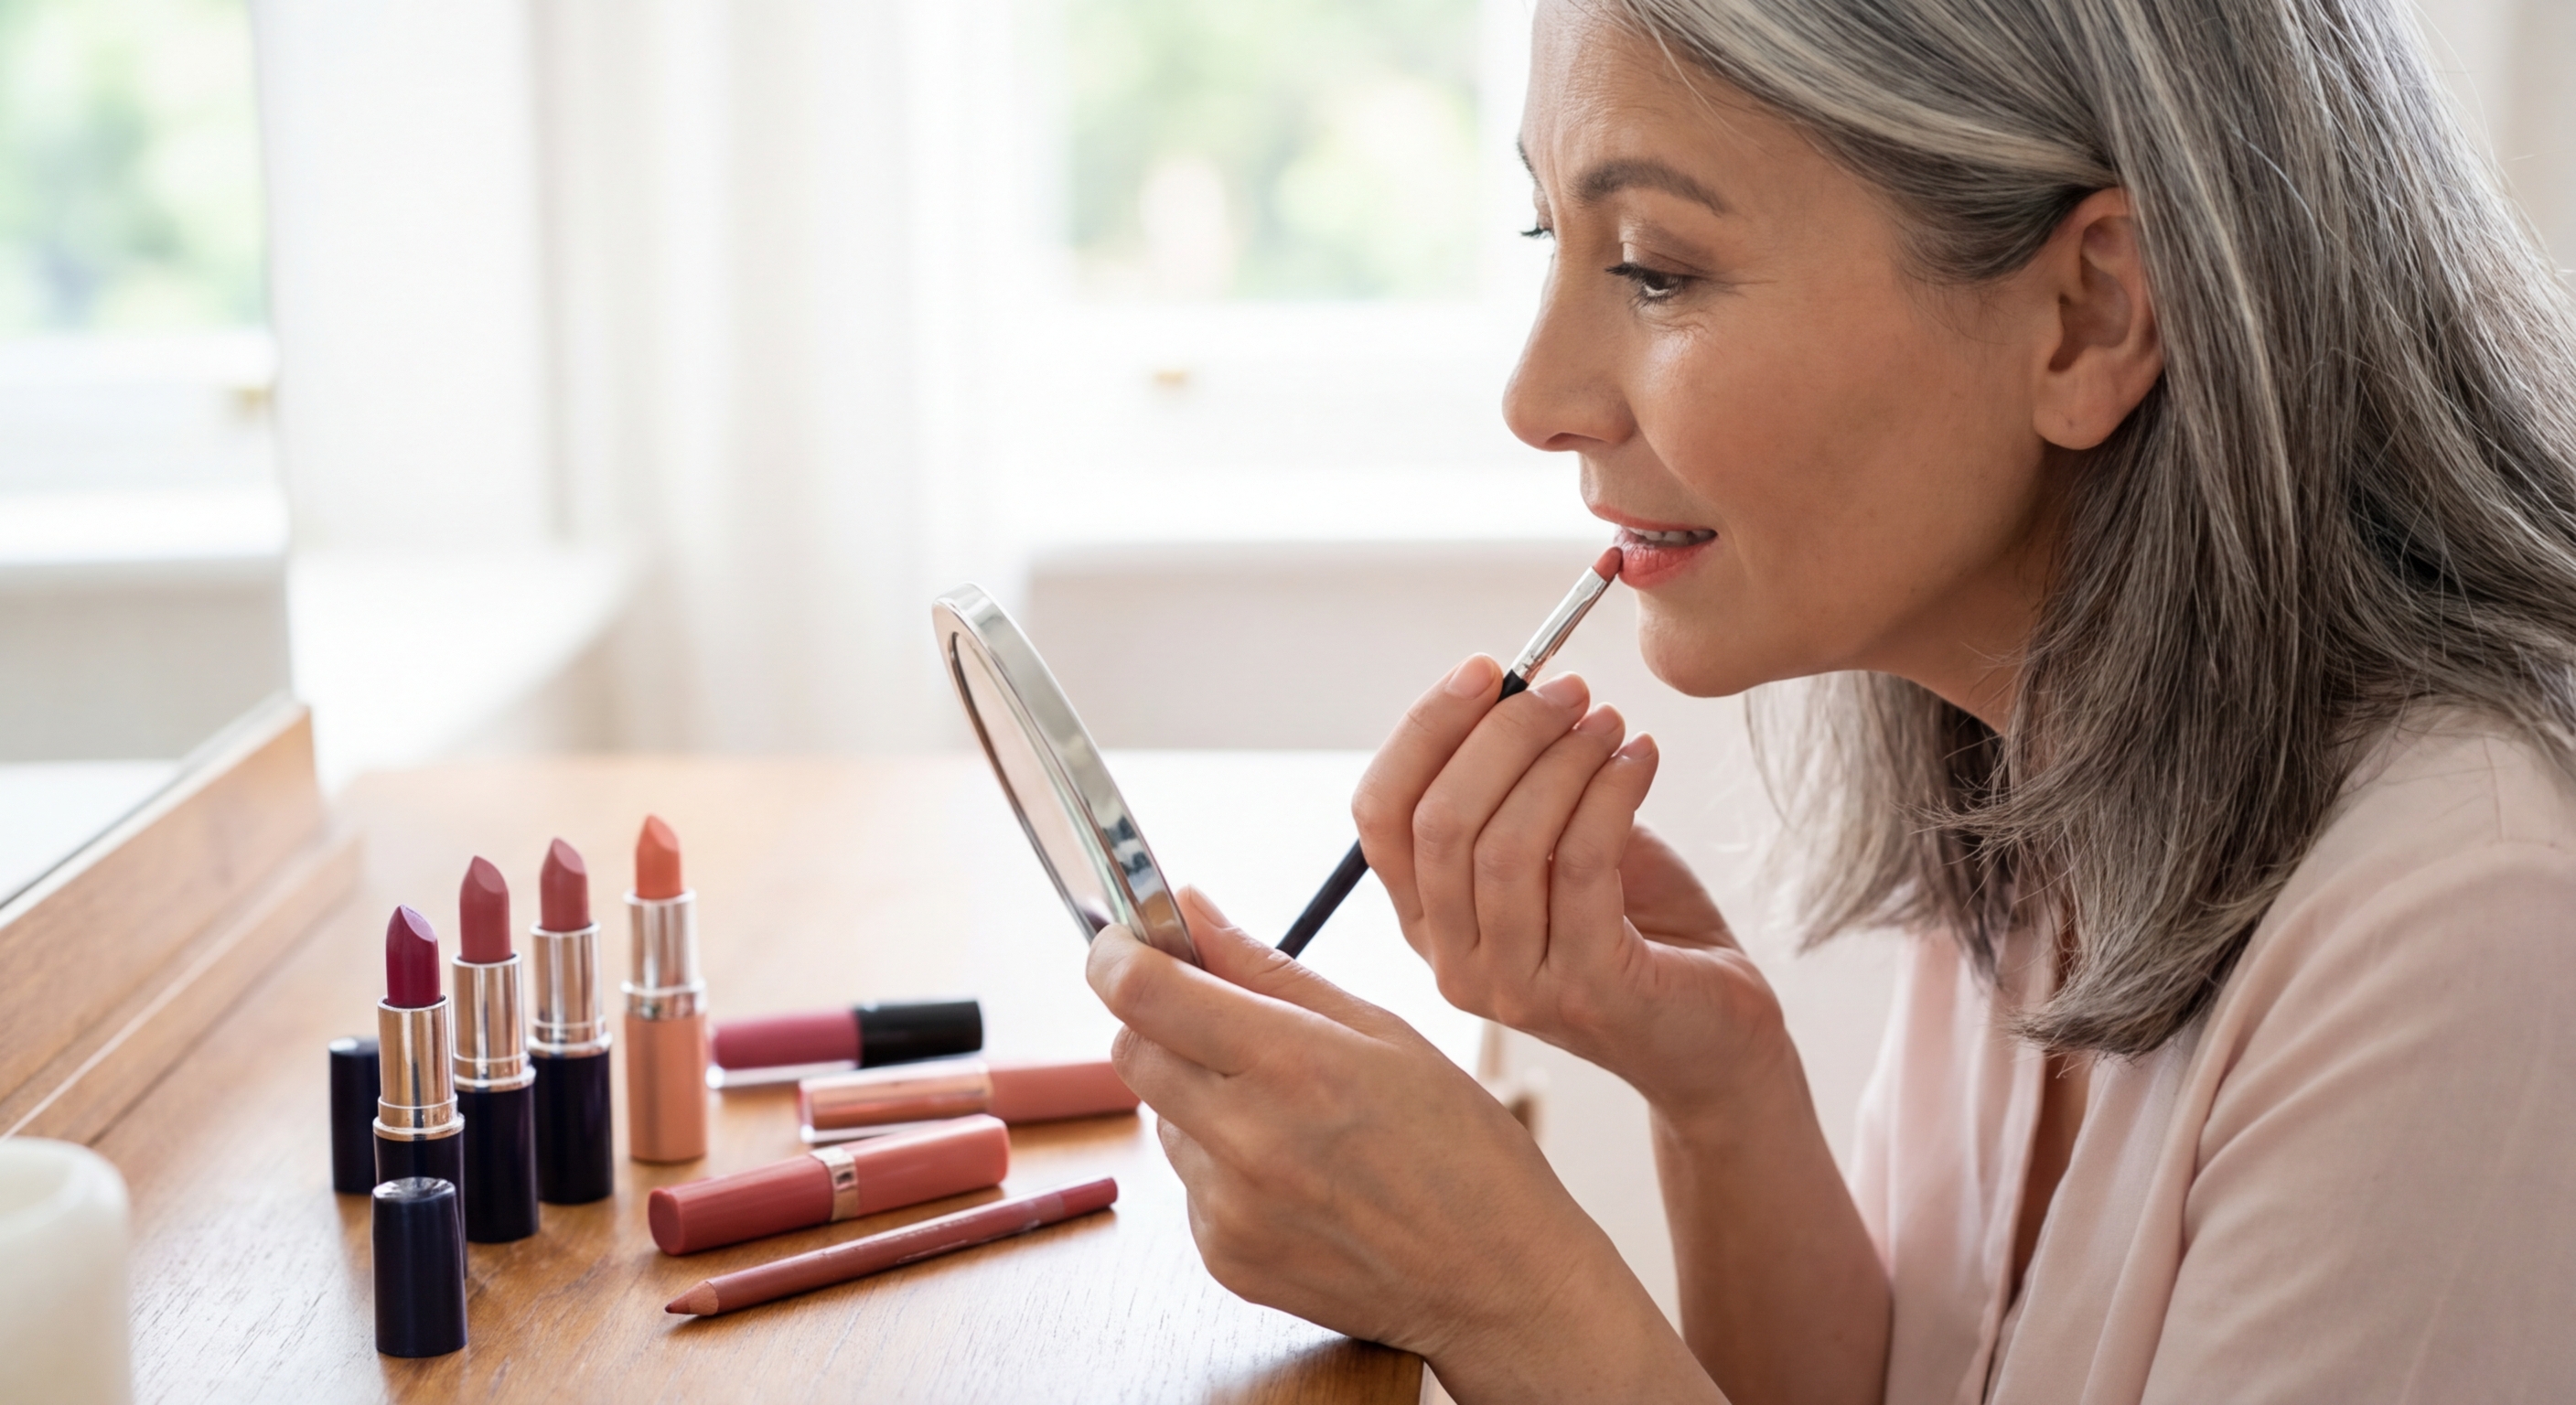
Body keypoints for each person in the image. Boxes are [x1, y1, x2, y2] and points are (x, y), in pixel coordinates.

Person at [1085, 0, 2576, 1399]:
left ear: (2088, 316)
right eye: (1553, 233)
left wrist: (1505, 1297)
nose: (1538, 399)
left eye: (1657, 268)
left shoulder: (2472, 928)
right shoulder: (2046, 764)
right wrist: (1720, 1096)